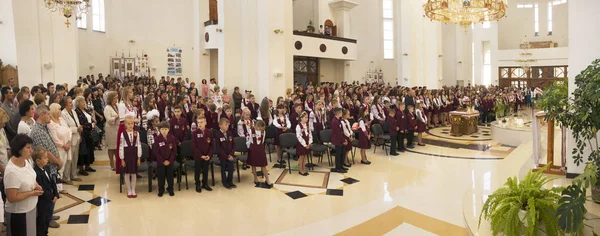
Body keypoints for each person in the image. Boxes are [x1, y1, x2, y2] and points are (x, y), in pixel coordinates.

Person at [5, 134, 43, 236]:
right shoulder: (11, 171)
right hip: (19, 214)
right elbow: (12, 197)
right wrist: (32, 193)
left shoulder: (26, 161)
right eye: (28, 148)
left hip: (30, 208)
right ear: (19, 150)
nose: (31, 150)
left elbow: (31, 177)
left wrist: (36, 185)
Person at [32, 147, 59, 236]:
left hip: (50, 198)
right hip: (42, 201)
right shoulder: (36, 173)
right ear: (38, 161)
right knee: (41, 220)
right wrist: (51, 196)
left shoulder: (47, 168)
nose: (47, 159)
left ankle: (46, 233)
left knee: (47, 218)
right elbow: (41, 189)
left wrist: (56, 194)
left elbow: (52, 182)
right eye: (45, 158)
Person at [48, 103, 73, 186]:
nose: (60, 111)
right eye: (58, 109)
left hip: (67, 146)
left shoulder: (61, 120)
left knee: (64, 166)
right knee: (59, 167)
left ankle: (60, 186)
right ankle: (57, 187)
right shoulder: (50, 123)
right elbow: (54, 138)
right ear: (54, 111)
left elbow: (69, 130)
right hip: (59, 148)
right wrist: (63, 145)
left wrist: (69, 141)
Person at [119, 115, 142, 198]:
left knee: (134, 173)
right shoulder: (123, 134)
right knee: (127, 173)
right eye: (128, 124)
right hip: (126, 155)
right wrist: (122, 159)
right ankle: (129, 189)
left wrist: (139, 157)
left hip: (134, 155)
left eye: (132, 123)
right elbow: (121, 146)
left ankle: (133, 189)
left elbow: (139, 145)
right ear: (125, 124)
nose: (130, 125)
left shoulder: (137, 133)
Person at [246, 120, 272, 187]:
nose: (262, 129)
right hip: (253, 148)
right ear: (257, 126)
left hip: (260, 148)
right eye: (261, 128)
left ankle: (267, 180)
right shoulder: (251, 130)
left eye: (263, 129)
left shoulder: (263, 132)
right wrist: (249, 147)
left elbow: (262, 141)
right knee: (253, 165)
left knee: (263, 165)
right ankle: (255, 178)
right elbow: (248, 139)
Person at [153, 121, 176, 197]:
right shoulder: (157, 139)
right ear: (159, 130)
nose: (164, 131)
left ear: (169, 129)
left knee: (170, 176)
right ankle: (161, 189)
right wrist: (163, 161)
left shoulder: (172, 138)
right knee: (161, 176)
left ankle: (170, 188)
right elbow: (156, 152)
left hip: (170, 161)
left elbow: (174, 151)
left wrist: (169, 160)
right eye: (162, 129)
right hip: (160, 162)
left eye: (166, 129)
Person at [191, 116, 213, 193]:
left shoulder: (209, 132)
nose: (199, 124)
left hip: (207, 155)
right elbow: (194, 146)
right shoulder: (194, 133)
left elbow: (211, 145)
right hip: (198, 156)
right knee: (197, 171)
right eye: (198, 123)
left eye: (201, 122)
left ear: (205, 123)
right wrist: (200, 155)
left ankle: (205, 183)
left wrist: (209, 155)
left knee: (205, 170)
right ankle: (197, 183)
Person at [74, 97, 95, 176]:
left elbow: (89, 118)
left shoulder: (84, 110)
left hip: (88, 132)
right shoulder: (77, 112)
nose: (84, 103)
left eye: (84, 102)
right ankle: (81, 168)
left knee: (89, 150)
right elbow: (81, 123)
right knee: (83, 151)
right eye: (82, 102)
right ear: (78, 103)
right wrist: (90, 125)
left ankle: (88, 165)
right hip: (83, 133)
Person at [216, 118, 236, 189]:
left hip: (230, 155)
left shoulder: (229, 133)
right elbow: (219, 148)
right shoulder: (218, 134)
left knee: (231, 169)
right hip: (223, 156)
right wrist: (226, 156)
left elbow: (233, 145)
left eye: (228, 124)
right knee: (223, 169)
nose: (227, 126)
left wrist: (231, 154)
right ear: (220, 126)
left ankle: (230, 181)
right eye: (225, 124)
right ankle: (224, 182)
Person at [103, 92, 119, 170]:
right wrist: (116, 117)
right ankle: (111, 163)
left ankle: (117, 162)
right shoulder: (107, 108)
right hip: (110, 129)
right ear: (111, 99)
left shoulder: (117, 105)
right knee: (111, 147)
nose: (116, 99)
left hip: (117, 128)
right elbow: (109, 120)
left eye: (117, 97)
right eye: (115, 98)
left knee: (116, 147)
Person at [330, 108, 347, 173]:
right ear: (338, 113)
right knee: (338, 154)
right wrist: (343, 141)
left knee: (343, 152)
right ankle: (337, 167)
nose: (342, 113)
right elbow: (338, 133)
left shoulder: (338, 120)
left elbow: (341, 131)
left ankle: (341, 165)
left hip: (340, 139)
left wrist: (344, 139)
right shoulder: (334, 121)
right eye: (341, 112)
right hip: (337, 140)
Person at [295, 112, 312, 176]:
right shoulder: (298, 126)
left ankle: (303, 167)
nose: (307, 119)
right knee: (301, 156)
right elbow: (299, 136)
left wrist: (310, 142)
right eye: (305, 117)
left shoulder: (307, 125)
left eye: (307, 117)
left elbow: (310, 134)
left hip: (307, 143)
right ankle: (300, 170)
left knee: (305, 156)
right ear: (301, 118)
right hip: (301, 144)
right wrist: (305, 145)